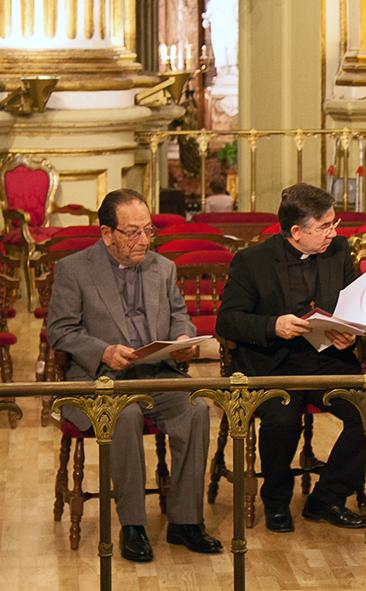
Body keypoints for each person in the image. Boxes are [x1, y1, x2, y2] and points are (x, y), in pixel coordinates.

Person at [47, 189, 222, 562]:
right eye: (132, 232)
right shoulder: (74, 270)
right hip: (102, 380)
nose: (143, 240)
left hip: (157, 372)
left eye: (148, 230)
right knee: (124, 416)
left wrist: (182, 337)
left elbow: (179, 315)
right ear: (107, 233)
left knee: (197, 408)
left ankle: (185, 521)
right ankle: (133, 525)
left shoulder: (162, 267)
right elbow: (61, 331)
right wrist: (104, 351)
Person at [216, 183, 366, 532]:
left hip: (326, 358)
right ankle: (276, 500)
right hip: (272, 362)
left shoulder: (338, 250)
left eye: (334, 223)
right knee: (283, 420)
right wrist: (273, 325)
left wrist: (347, 331)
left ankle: (327, 497)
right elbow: (228, 319)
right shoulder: (252, 261)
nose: (334, 232)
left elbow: (351, 302)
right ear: (296, 232)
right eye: (324, 227)